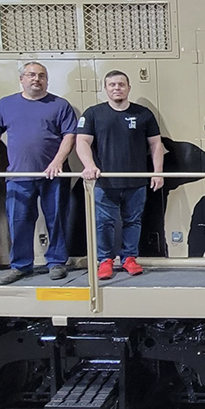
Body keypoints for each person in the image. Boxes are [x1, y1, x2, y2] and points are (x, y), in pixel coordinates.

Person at [0, 62, 78, 285]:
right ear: (21, 79)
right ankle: (20, 265)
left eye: (41, 75)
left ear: (47, 80)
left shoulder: (60, 105)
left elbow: (69, 136)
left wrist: (57, 162)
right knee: (19, 221)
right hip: (18, 177)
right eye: (31, 75)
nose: (36, 79)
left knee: (57, 220)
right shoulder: (5, 104)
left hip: (54, 176)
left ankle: (56, 262)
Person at [76, 70, 165, 281]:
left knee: (133, 221)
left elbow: (156, 144)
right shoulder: (93, 114)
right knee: (103, 222)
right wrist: (89, 166)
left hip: (136, 181)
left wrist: (158, 173)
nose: (117, 88)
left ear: (128, 88)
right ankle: (105, 260)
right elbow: (82, 142)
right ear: (105, 88)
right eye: (112, 85)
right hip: (104, 182)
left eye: (121, 84)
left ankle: (129, 258)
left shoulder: (143, 114)